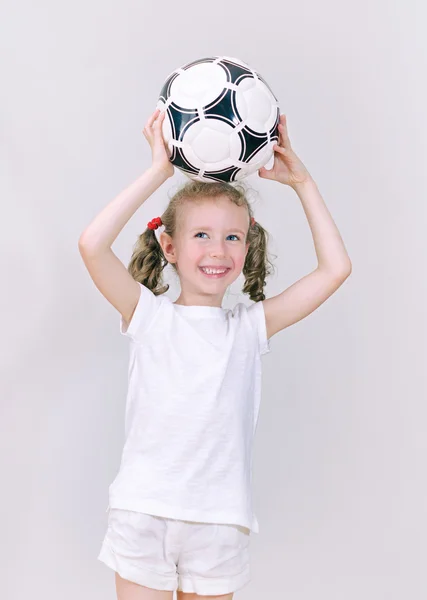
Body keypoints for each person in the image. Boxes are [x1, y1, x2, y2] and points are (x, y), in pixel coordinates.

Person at [78, 108, 352, 600]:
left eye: (233, 237)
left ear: (247, 249)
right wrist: (158, 172)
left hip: (219, 523)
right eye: (200, 235)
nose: (217, 250)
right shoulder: (148, 315)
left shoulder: (247, 329)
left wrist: (303, 183)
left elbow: (335, 269)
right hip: (145, 513)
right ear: (170, 245)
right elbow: (92, 245)